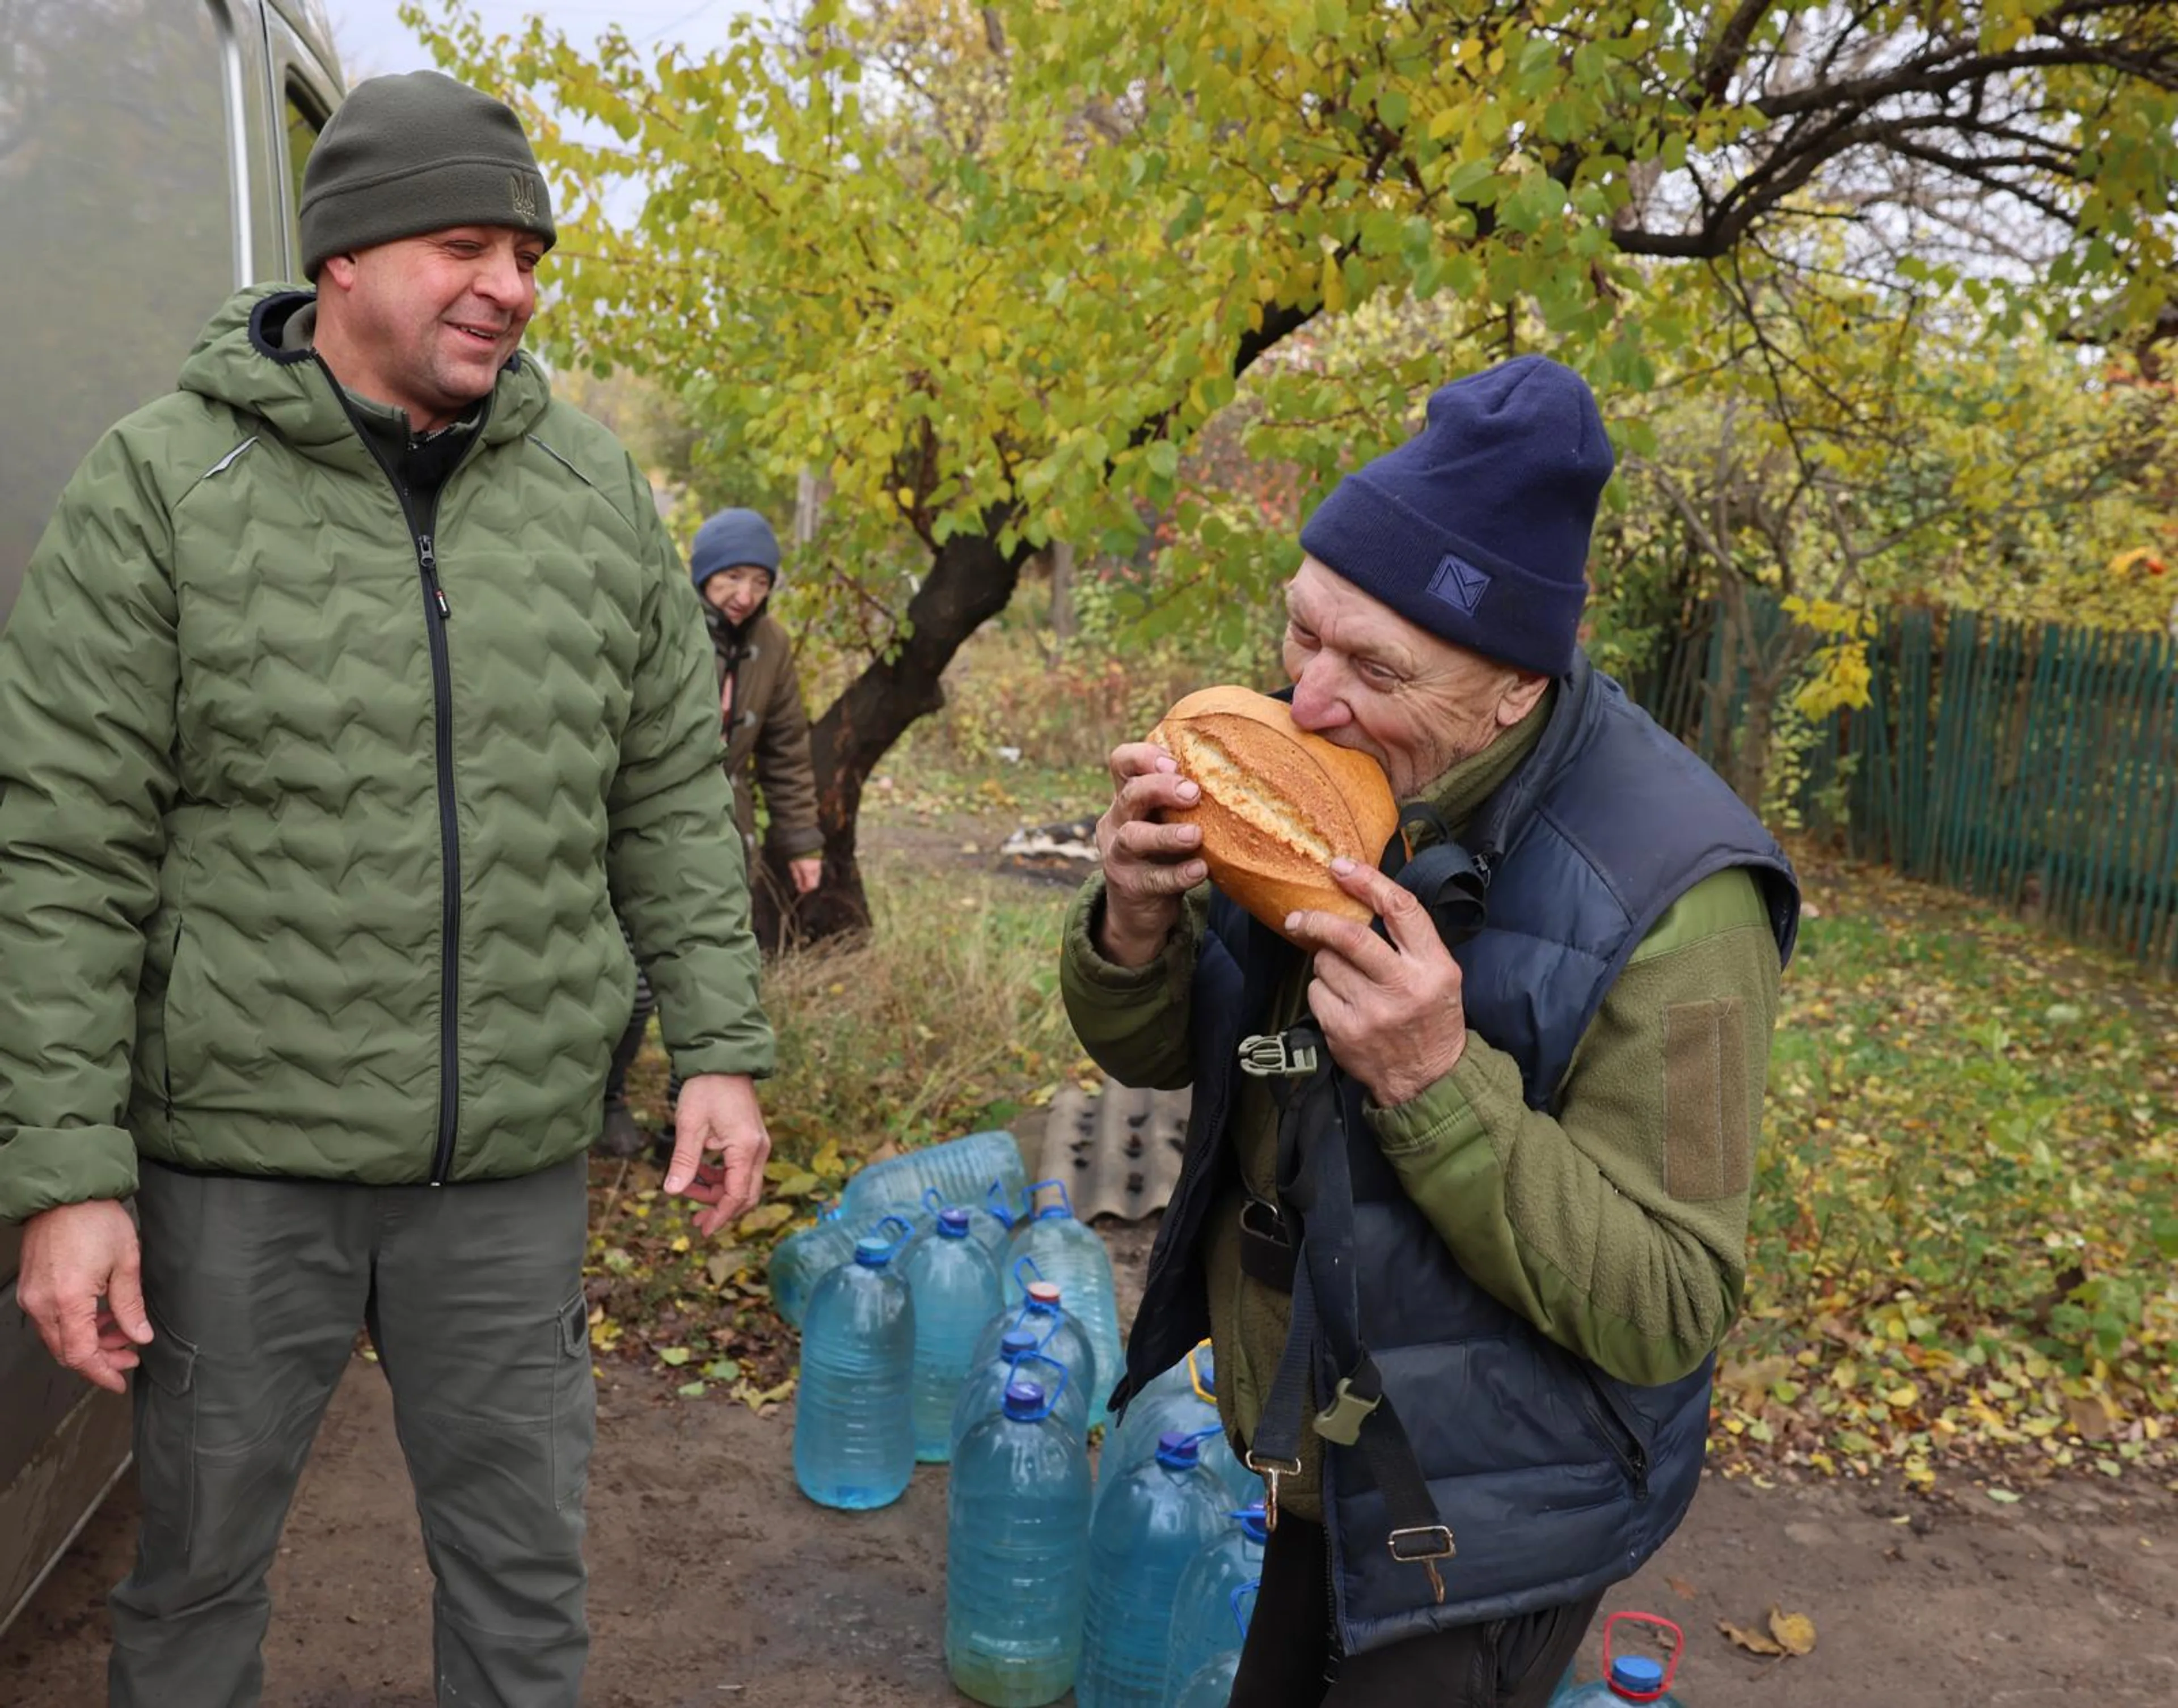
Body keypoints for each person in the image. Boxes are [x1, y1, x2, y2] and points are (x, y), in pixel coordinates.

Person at [0, 71, 773, 1708]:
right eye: (465, 243)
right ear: (342, 256)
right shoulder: (163, 489)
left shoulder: (590, 500)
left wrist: (717, 1041)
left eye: (529, 251)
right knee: (197, 1573)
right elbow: (63, 848)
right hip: (237, 1172)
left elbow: (666, 796)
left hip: (502, 1174)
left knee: (523, 1586)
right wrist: (67, 1174)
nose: (510, 282)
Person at [1061, 357, 1800, 1707]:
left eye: (1371, 666)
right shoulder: (1325, 778)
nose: (1308, 701)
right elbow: (1161, 1054)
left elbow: (1669, 1303)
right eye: (1302, 634)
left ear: (1512, 687)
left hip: (1490, 1518)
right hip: (1322, 1450)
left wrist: (1438, 1084)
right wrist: (1133, 927)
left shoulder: (1680, 901)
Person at [598, 505, 821, 1157]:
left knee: (715, 988)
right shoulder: (664, 627)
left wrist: (802, 841)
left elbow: (785, 749)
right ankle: (607, 1101)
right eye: (730, 579)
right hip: (643, 830)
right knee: (636, 990)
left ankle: (682, 1126)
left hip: (726, 837)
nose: (744, 595)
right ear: (702, 578)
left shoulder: (772, 646)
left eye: (759, 580)